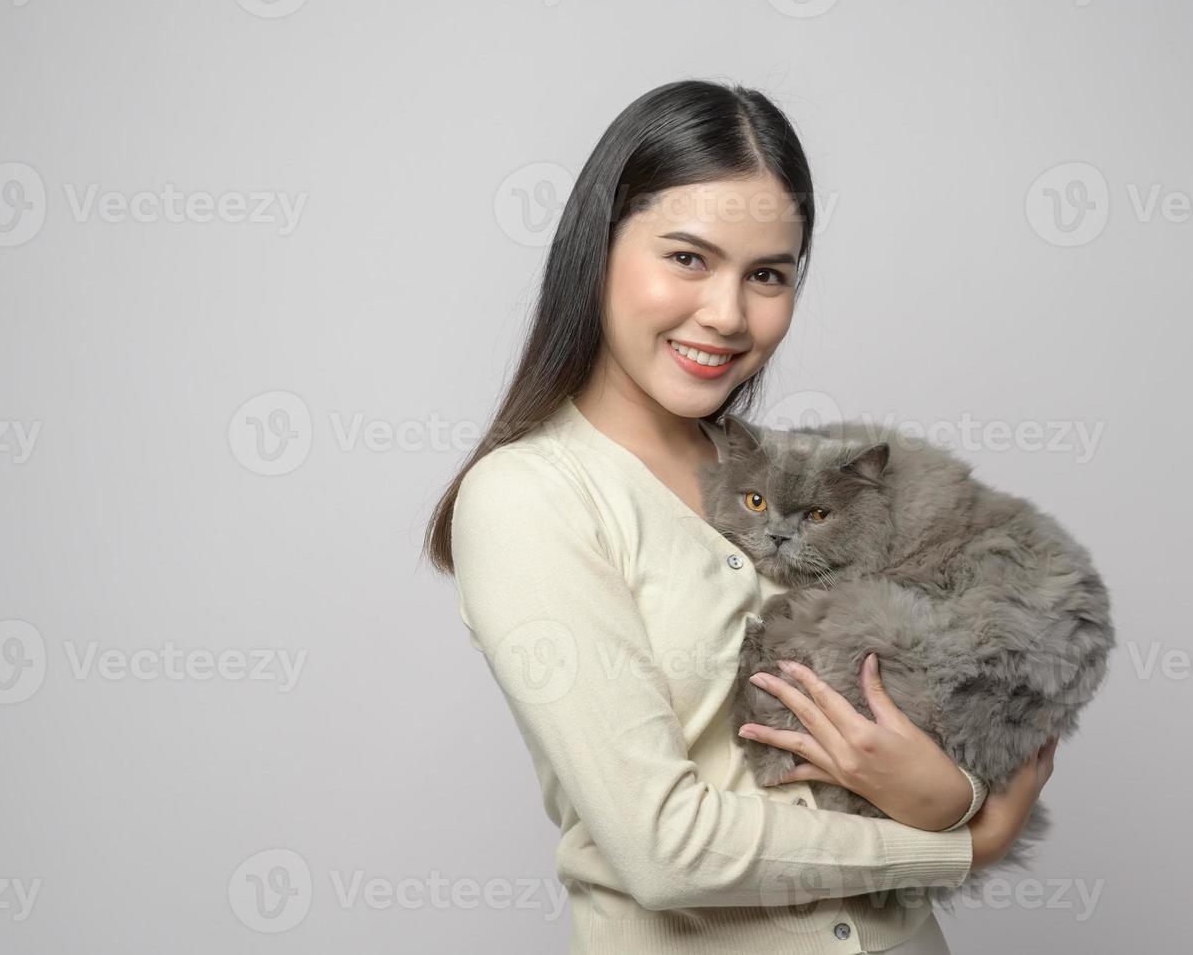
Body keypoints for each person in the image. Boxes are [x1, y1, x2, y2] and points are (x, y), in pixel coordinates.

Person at [423, 78, 1055, 954]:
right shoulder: (531, 498)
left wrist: (951, 794)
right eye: (687, 257)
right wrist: (953, 844)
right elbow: (664, 849)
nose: (725, 315)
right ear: (596, 249)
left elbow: (933, 722)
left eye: (766, 275)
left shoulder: (785, 477)